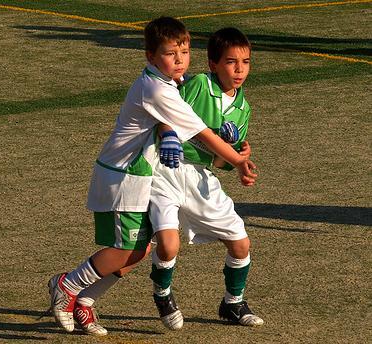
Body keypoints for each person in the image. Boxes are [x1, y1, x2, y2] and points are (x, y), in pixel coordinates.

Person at [48, 18, 253, 336]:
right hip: (124, 178)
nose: (180, 60)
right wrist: (238, 159)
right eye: (171, 54)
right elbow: (201, 134)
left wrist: (225, 150)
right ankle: (67, 285)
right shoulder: (158, 89)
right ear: (150, 56)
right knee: (125, 249)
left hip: (139, 177)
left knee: (141, 249)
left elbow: (187, 131)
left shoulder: (169, 84)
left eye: (184, 52)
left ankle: (85, 302)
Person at [148, 27, 264, 330]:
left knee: (241, 245)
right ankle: (162, 295)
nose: (239, 70)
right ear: (213, 64)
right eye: (230, 62)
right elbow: (164, 110)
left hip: (201, 178)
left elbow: (219, 162)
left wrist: (238, 157)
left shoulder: (243, 109)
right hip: (166, 171)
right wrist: (166, 133)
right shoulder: (199, 84)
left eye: (246, 62)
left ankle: (233, 303)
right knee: (167, 246)